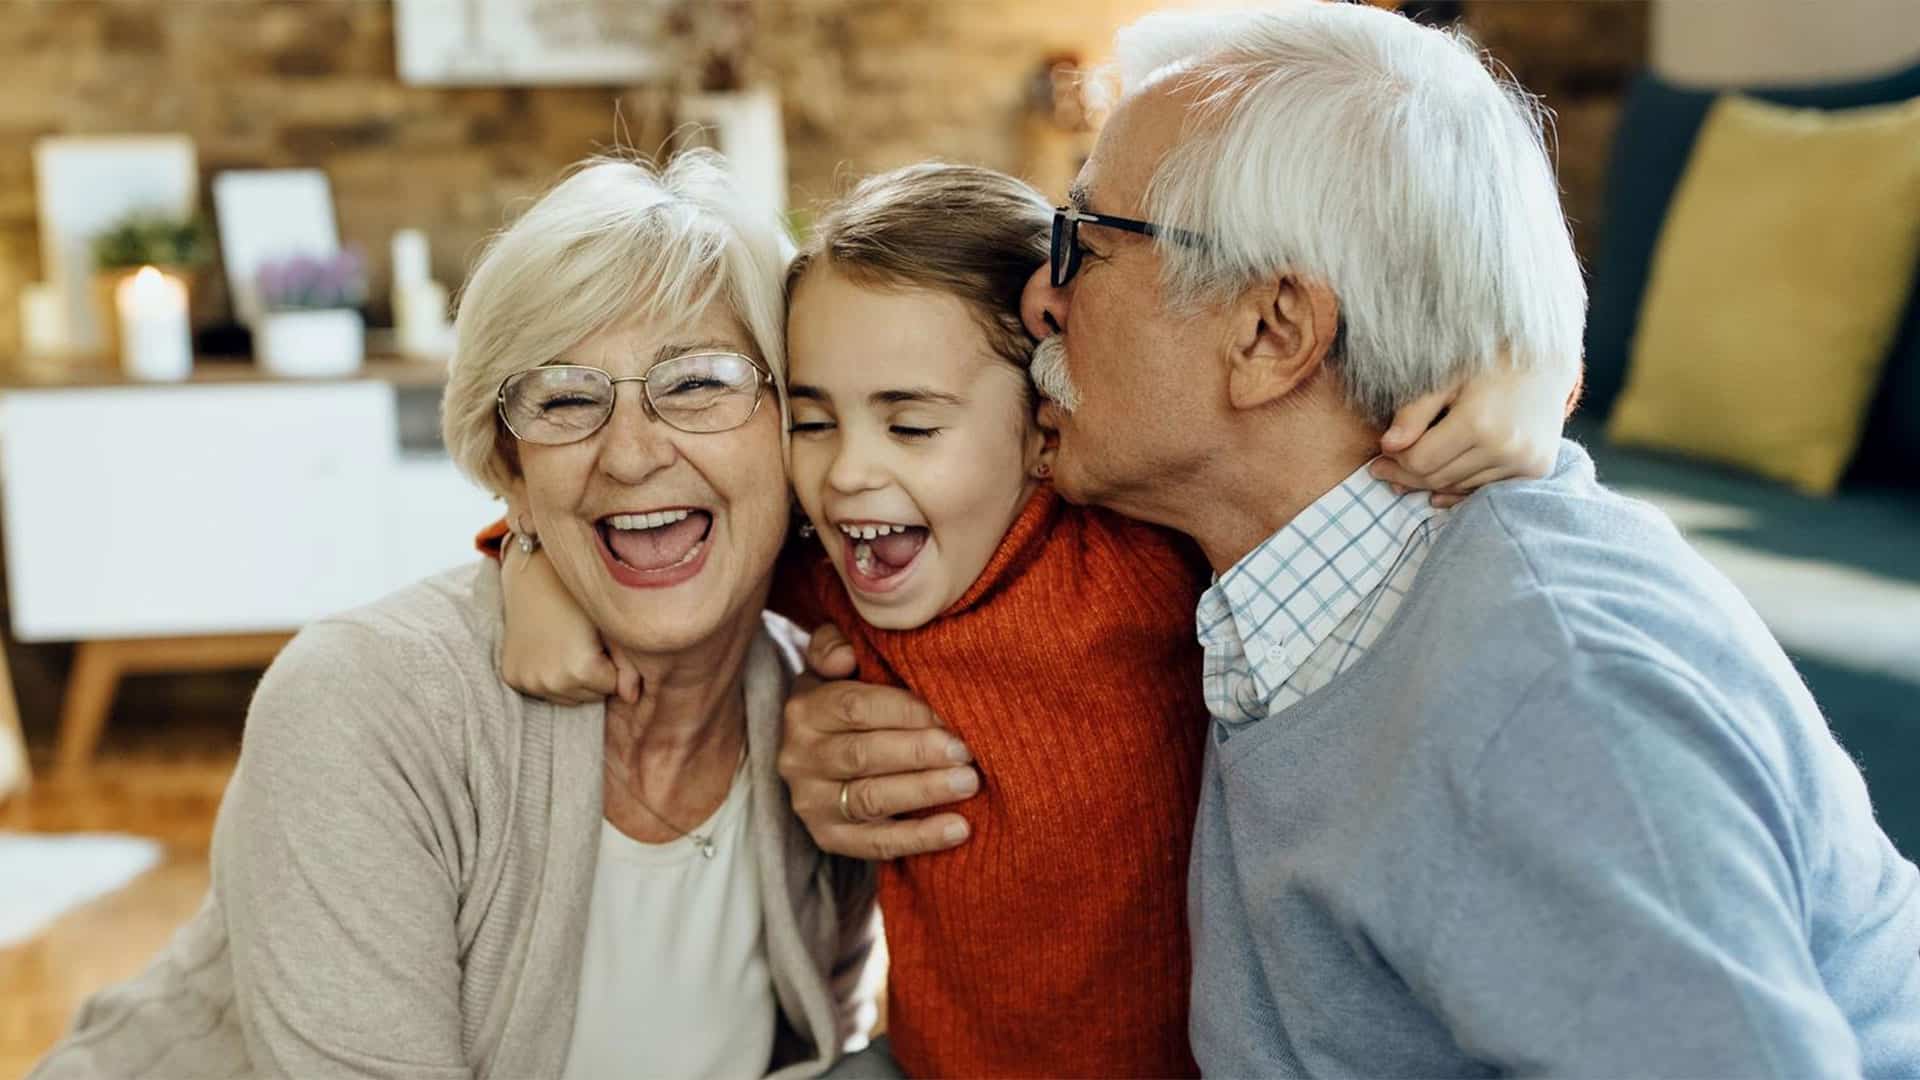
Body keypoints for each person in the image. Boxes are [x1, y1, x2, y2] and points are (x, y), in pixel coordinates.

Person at [789, 4, 1920, 1076]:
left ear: (1273, 332)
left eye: (1084, 241)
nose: (1042, 297)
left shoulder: (1552, 699)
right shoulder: (1253, 574)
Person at [489, 162, 1575, 1075]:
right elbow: (656, 531)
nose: (849, 476)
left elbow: (1348, 455)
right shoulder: (830, 566)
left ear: (1045, 431)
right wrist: (527, 562)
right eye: (812, 421)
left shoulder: (1139, 551)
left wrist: (1531, 376)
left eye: (911, 425)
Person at [30, 150, 877, 1080]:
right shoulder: (365, 705)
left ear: (792, 428)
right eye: (564, 398)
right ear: (511, 472)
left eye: (699, 383)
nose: (631, 455)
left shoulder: (825, 718)